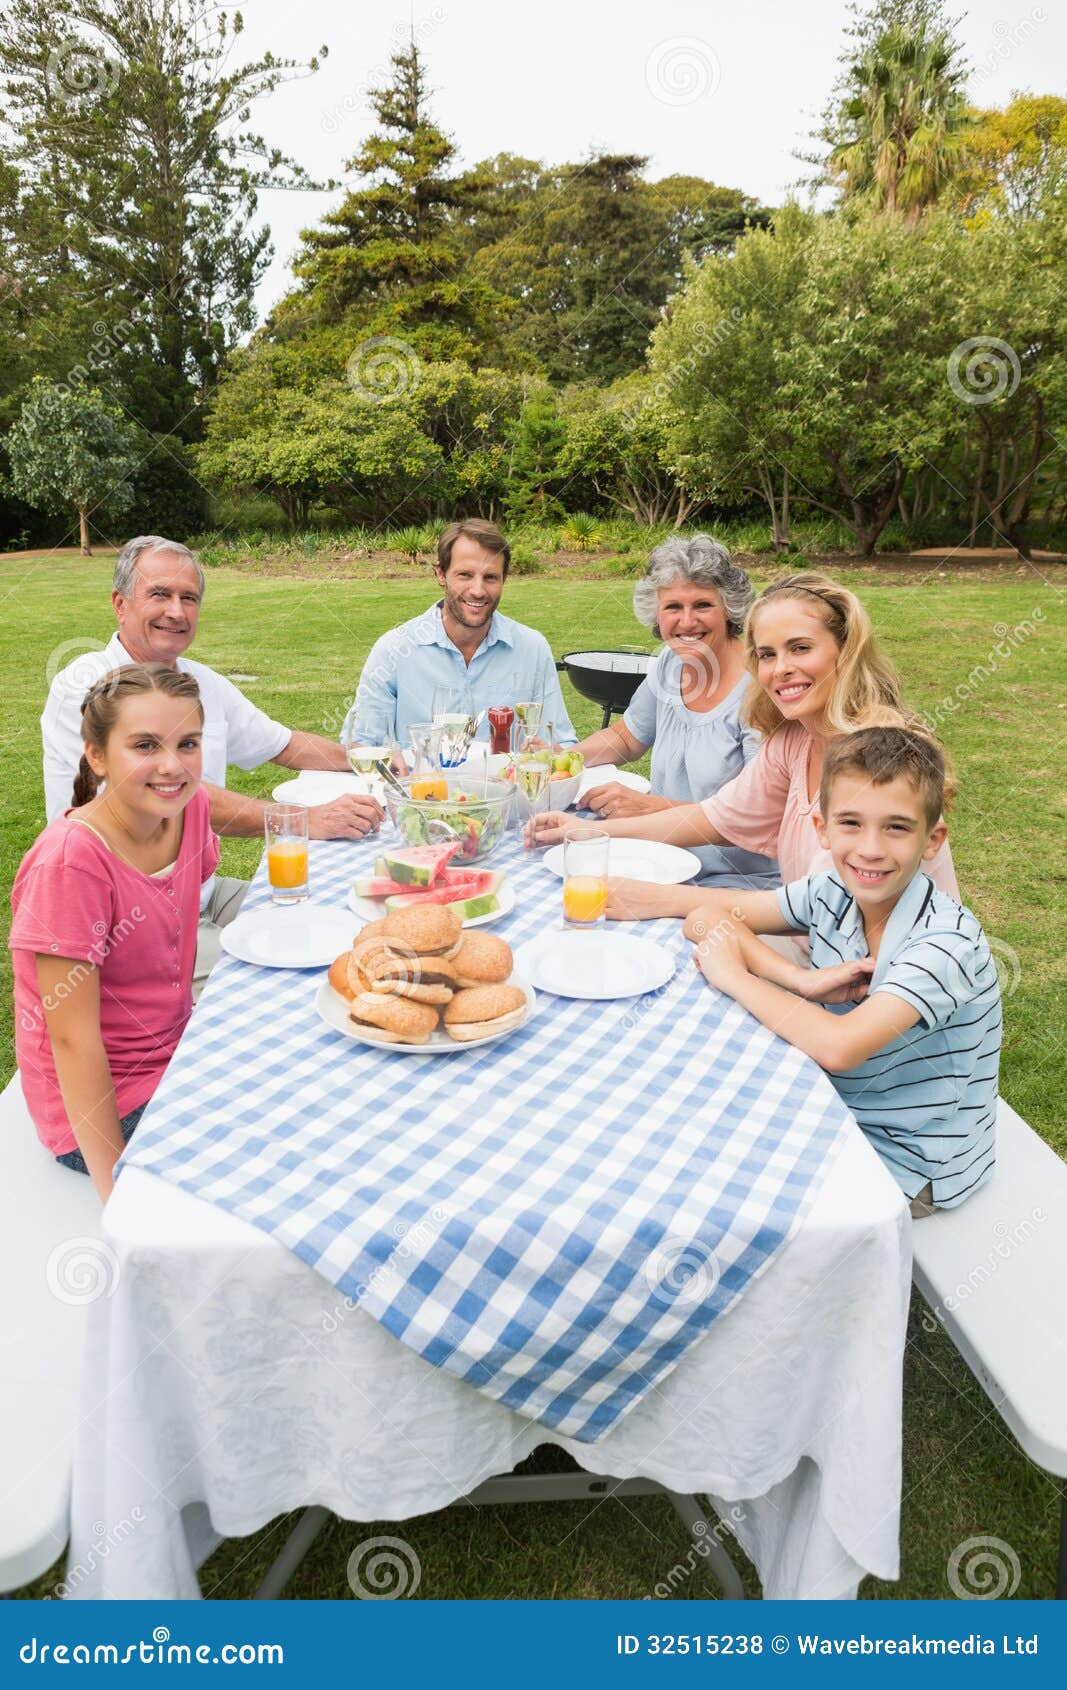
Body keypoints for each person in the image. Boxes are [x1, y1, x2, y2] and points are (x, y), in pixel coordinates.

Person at [42, 536, 383, 985]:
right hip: (127, 914)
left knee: (337, 928)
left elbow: (282, 743)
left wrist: (372, 761)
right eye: (160, 594)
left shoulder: (200, 683)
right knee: (279, 984)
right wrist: (303, 819)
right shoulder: (87, 687)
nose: (177, 612)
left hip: (200, 893)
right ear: (120, 604)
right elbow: (152, 799)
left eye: (189, 598)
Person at [685, 729, 1000, 1215]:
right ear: (823, 829)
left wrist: (737, 976)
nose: (870, 849)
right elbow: (708, 917)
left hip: (911, 1163)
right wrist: (799, 980)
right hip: (842, 1110)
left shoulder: (945, 942)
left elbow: (839, 1047)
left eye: (896, 827)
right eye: (851, 823)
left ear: (932, 838)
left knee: (719, 1181)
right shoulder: (832, 888)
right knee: (704, 1113)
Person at [528, 573, 960, 918]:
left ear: (844, 652)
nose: (781, 669)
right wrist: (581, 833)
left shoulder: (879, 764)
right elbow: (709, 819)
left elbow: (825, 915)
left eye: (801, 648)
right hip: (816, 952)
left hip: (882, 991)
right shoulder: (793, 741)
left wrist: (663, 902)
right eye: (768, 655)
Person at [12, 666, 218, 1201]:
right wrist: (116, 1191)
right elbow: (71, 1040)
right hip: (104, 1107)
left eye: (188, 744)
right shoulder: (71, 865)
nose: (172, 766)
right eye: (145, 745)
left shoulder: (190, 809)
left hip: (177, 1054)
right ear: (97, 756)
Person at [573, 535, 778, 888]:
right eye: (672, 607)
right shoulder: (669, 663)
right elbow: (626, 739)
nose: (686, 622)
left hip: (738, 880)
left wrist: (648, 807)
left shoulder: (759, 688)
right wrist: (557, 760)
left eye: (702, 605)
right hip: (664, 861)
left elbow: (755, 819)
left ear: (729, 608)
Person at [342, 518, 577, 750]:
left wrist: (549, 752)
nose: (478, 590)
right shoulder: (394, 649)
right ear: (441, 575)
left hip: (507, 788)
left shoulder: (532, 648)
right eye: (465, 575)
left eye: (490, 577)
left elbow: (560, 744)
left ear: (504, 579)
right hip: (423, 787)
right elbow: (360, 746)